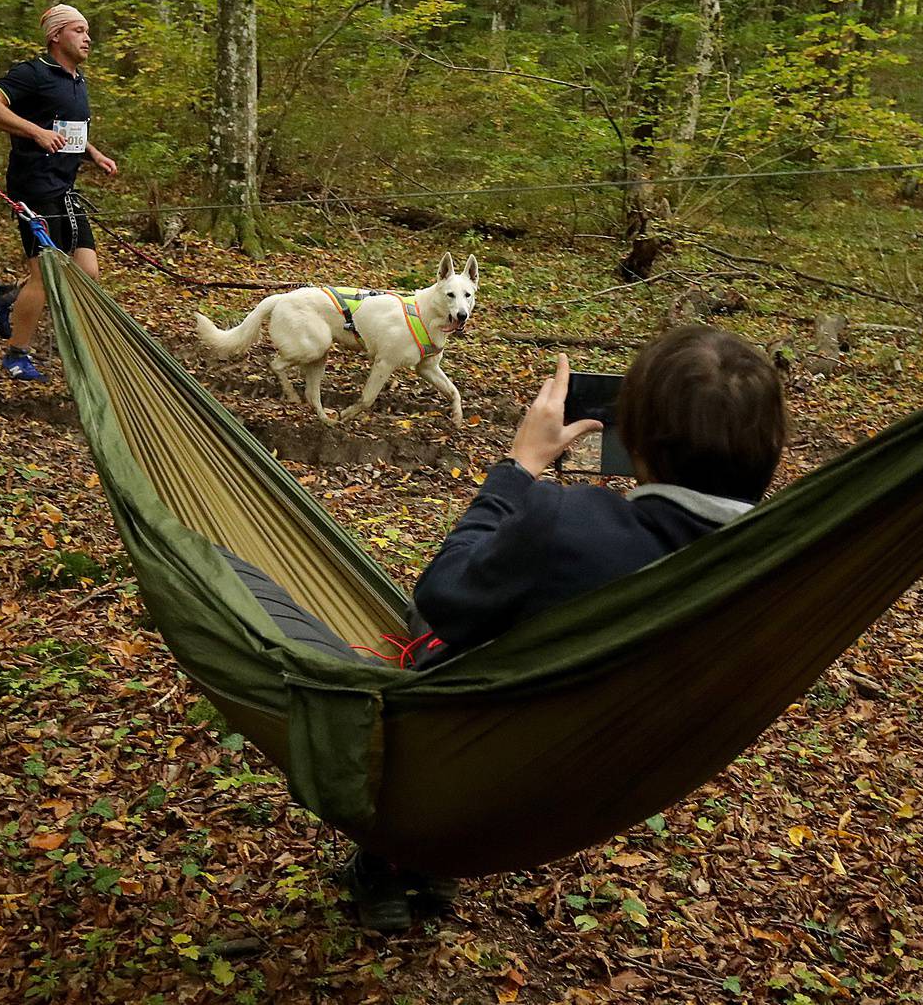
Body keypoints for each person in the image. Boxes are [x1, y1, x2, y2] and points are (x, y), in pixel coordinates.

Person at [226, 325, 787, 930]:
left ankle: (389, 859)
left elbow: (443, 595)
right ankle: (430, 850)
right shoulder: (781, 567)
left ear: (639, 440)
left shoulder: (568, 522)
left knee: (235, 574)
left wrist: (520, 467)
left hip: (463, 733)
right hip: (587, 775)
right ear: (771, 447)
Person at [0, 3, 119, 381]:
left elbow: (65, 130)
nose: (88, 37)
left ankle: (4, 298)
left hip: (65, 189)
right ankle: (15, 355)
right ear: (56, 36)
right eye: (78, 30)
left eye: (87, 31)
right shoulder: (33, 73)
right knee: (45, 275)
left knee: (86, 272)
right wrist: (34, 132)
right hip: (34, 186)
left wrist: (93, 153)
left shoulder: (76, 80)